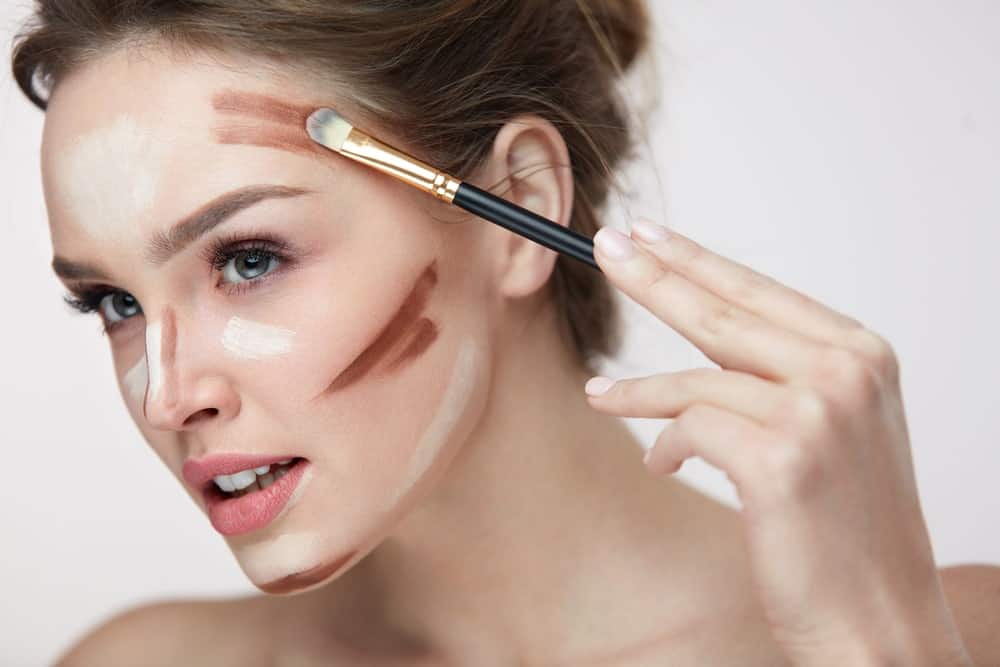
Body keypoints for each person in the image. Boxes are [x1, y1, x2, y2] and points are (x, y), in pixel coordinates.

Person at [11, 1, 999, 664]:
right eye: (116, 304)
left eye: (250, 258)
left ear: (516, 204)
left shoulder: (952, 634)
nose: (166, 394)